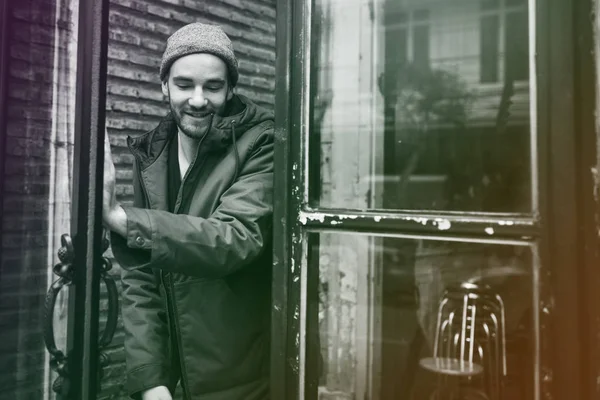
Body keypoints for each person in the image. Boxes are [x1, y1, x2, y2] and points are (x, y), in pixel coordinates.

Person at [102, 22, 274, 400]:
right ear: (164, 86)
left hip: (245, 378)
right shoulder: (153, 153)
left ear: (230, 89)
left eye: (212, 86)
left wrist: (121, 218)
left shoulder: (262, 142)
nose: (198, 100)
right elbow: (141, 277)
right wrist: (150, 380)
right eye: (184, 85)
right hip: (175, 383)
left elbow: (235, 239)